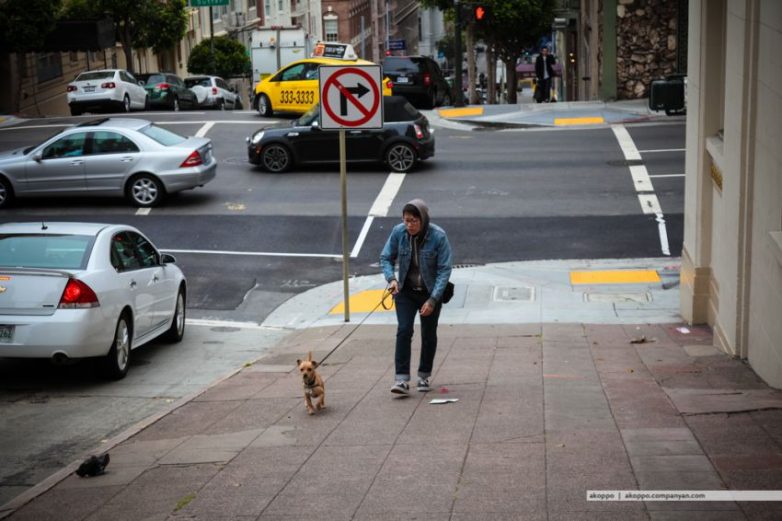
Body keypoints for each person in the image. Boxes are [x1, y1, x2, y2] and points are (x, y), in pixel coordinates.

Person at [380, 199, 453, 395]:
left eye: (414, 221)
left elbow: (444, 270)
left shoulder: (438, 236)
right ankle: (401, 379)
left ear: (423, 219)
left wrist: (433, 300)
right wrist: (392, 279)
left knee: (428, 334)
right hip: (405, 291)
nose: (410, 225)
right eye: (406, 220)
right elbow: (386, 257)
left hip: (430, 292)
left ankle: (424, 375)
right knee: (404, 330)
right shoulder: (398, 232)